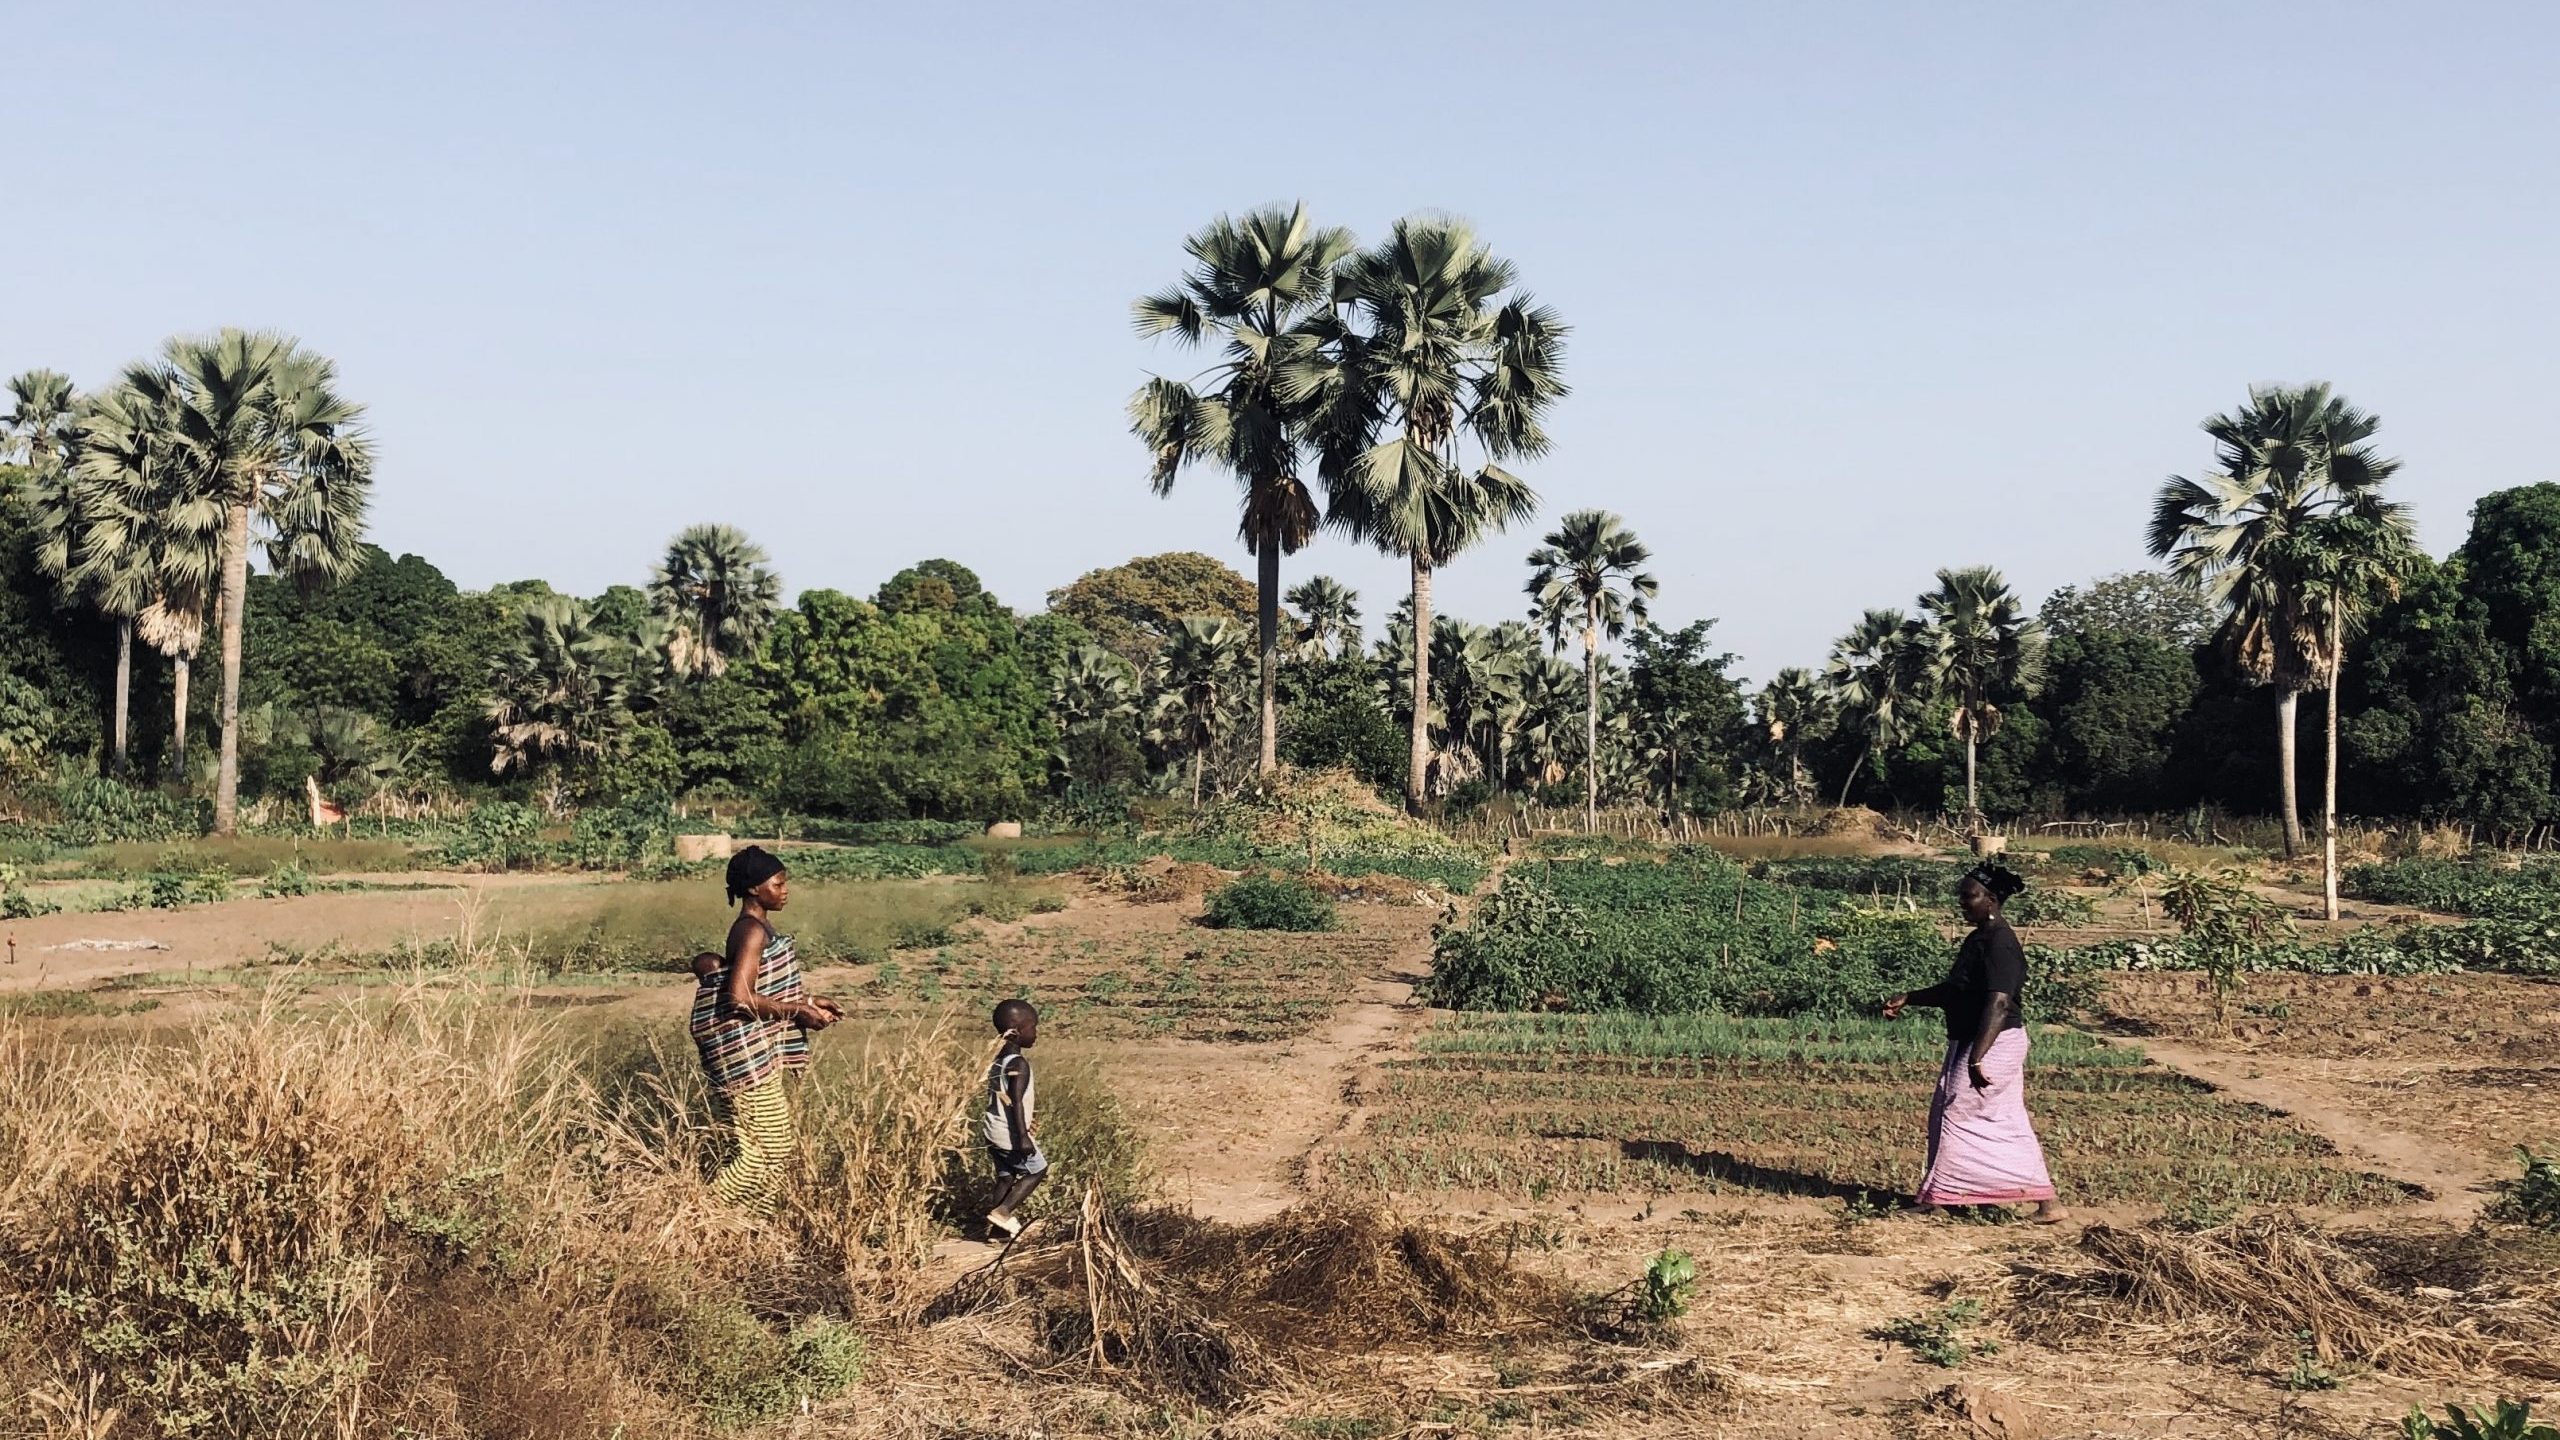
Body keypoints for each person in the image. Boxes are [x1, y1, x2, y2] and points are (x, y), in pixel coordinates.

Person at [1882, 862, 2069, 1224]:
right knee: (1995, 1118)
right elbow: (1957, 991)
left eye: (1969, 897)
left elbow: (1999, 1003)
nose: (1962, 904)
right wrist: (1910, 997)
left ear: (1992, 899)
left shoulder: (2001, 944)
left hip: (1993, 1043)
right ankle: (2046, 1202)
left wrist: (1977, 1059)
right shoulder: (1979, 938)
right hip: (1978, 1041)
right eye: (1961, 897)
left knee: (1956, 1112)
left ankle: (1940, 1198)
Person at [689, 846, 841, 1215]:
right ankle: (697, 1213)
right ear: (755, 889)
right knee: (762, 1153)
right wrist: (797, 1011)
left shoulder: (759, 927)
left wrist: (808, 1001)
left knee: (772, 1149)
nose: (785, 889)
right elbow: (740, 999)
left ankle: (754, 1224)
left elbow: (765, 988)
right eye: (778, 883)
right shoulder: (751, 931)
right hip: (746, 1058)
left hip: (757, 1054)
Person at [982, 997, 1047, 1242]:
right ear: (1018, 1031)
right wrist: (1023, 1136)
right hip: (1009, 1133)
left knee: (1006, 1177)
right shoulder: (1019, 1063)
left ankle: (997, 1232)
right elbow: (1016, 1102)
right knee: (1037, 1169)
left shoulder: (997, 1062)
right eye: (1033, 1027)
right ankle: (1003, 1211)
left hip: (991, 1130)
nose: (1036, 1033)